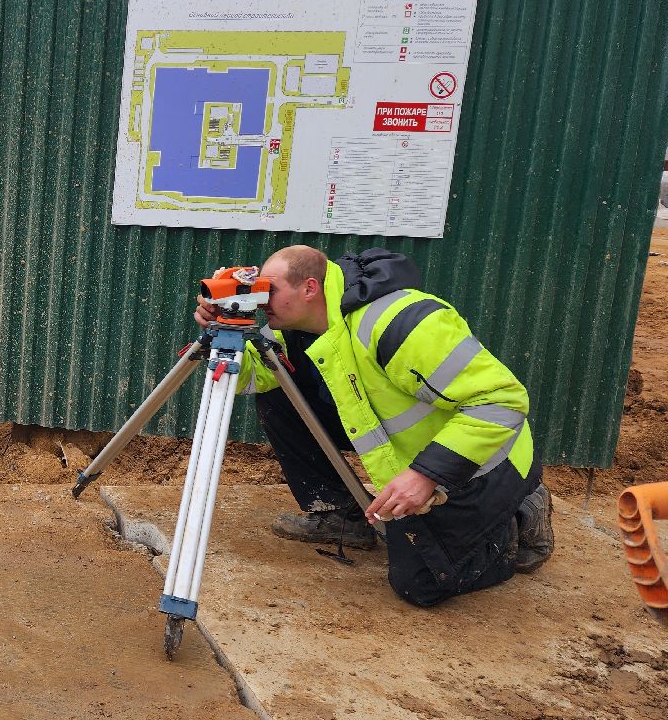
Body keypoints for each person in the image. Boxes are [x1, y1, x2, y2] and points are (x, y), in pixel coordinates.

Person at [196, 245, 554, 607]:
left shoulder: (403, 321)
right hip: (414, 455)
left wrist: (425, 476)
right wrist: (222, 331)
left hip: (484, 463)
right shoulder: (297, 326)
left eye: (269, 288)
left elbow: (502, 401)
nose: (261, 299)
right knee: (278, 388)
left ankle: (519, 511)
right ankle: (340, 512)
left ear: (309, 288)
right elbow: (248, 379)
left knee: (421, 585)